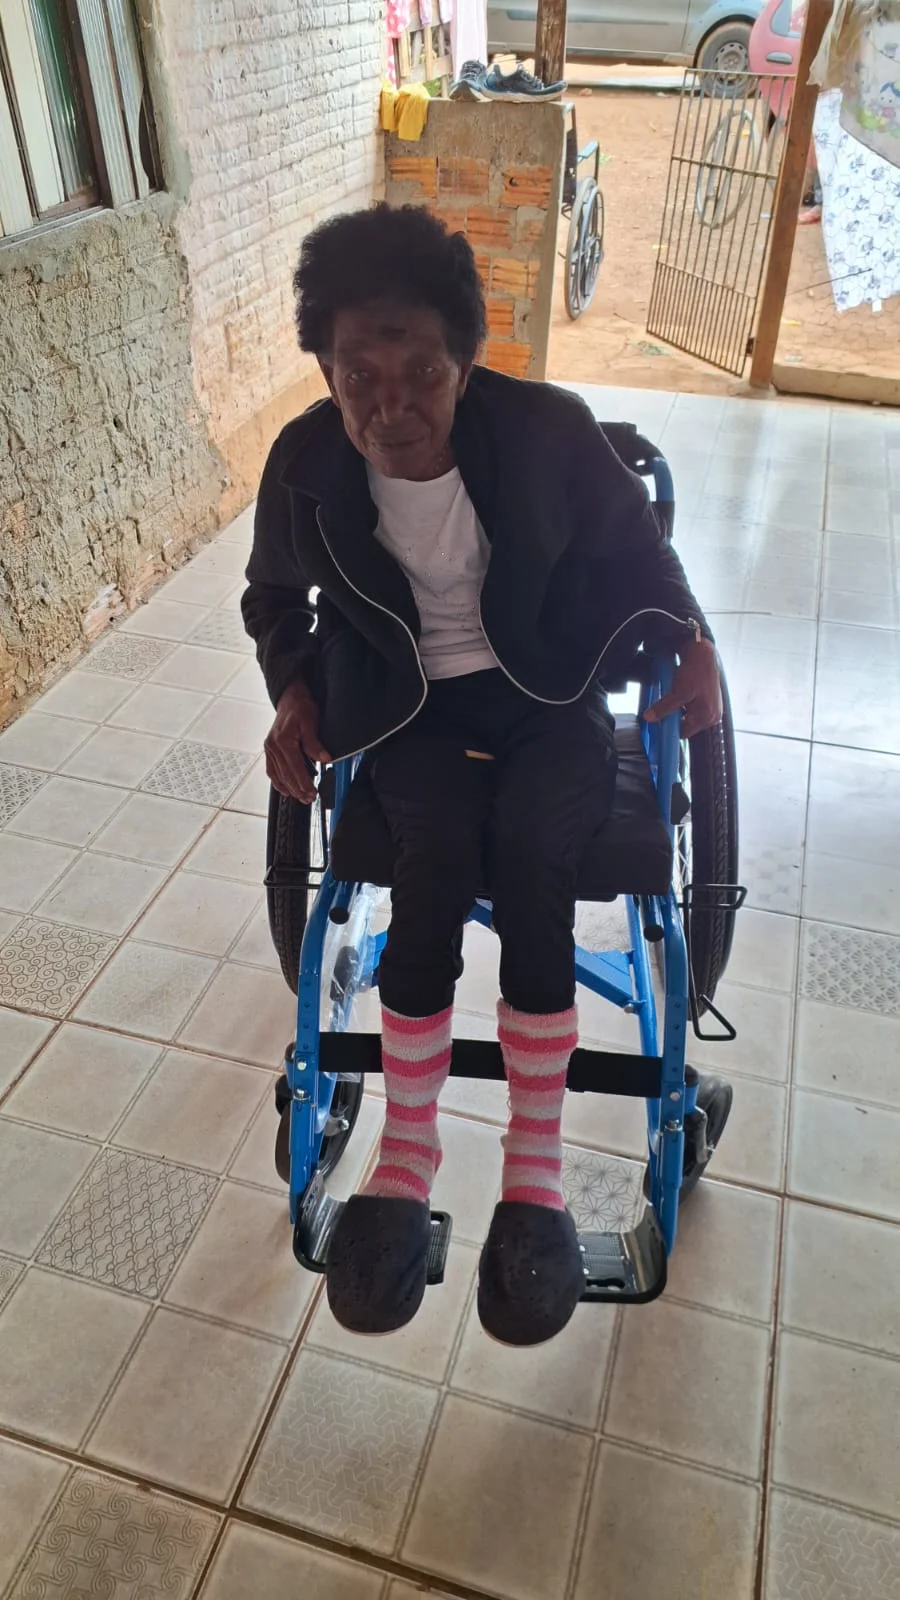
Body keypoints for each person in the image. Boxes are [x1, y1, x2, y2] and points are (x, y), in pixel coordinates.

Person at [242, 204, 721, 1347]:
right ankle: (405, 1159)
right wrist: (294, 691)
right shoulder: (306, 465)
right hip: (410, 710)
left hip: (549, 695)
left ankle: (534, 1175)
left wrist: (692, 637)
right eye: (359, 376)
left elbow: (641, 555)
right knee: (433, 862)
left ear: (467, 360)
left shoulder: (550, 434)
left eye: (422, 373)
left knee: (538, 853)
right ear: (325, 367)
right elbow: (273, 599)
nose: (390, 408)